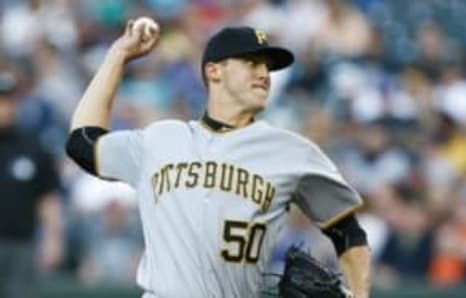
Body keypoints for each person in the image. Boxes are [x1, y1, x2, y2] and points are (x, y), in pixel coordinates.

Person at [66, 19, 371, 298]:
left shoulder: (292, 152)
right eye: (252, 63)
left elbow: (348, 233)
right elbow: (81, 142)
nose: (264, 74)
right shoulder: (159, 139)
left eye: (267, 67)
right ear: (214, 71)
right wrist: (118, 55)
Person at [0, 70, 63, 298]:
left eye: (6, 99)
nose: (2, 106)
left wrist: (53, 237)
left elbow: (47, 197)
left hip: (21, 247)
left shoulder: (32, 146)